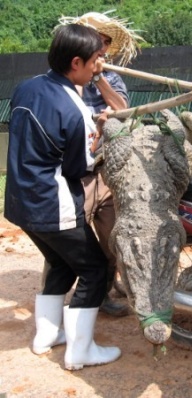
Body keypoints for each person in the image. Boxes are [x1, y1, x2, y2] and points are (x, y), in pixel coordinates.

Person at [4, 24, 122, 370]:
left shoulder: (26, 87)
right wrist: (99, 131)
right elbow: (79, 167)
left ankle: (47, 334)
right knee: (95, 269)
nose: (99, 66)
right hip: (51, 204)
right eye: (96, 60)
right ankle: (81, 350)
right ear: (76, 62)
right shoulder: (75, 110)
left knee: (60, 262)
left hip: (19, 203)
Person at [43, 12, 144, 316]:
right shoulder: (65, 74)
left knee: (110, 234)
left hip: (105, 167)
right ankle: (53, 296)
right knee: (66, 234)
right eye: (96, 39)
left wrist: (99, 78)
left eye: (105, 41)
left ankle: (101, 292)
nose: (102, 46)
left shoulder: (110, 77)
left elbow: (124, 110)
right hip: (73, 170)